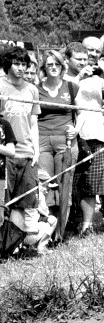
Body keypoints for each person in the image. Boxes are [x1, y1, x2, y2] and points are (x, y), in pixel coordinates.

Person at [63, 41, 104, 234]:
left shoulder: (96, 80)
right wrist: (80, 77)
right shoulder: (63, 78)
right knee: (70, 183)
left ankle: (86, 226)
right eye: (79, 59)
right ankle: (67, 224)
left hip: (95, 135)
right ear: (67, 59)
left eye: (87, 58)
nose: (84, 62)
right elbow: (65, 97)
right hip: (71, 137)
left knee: (91, 185)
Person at [35, 50, 77, 235]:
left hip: (65, 141)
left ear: (62, 67)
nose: (53, 67)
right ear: (44, 67)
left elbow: (81, 113)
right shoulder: (35, 88)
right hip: (42, 139)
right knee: (45, 187)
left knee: (64, 184)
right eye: (49, 64)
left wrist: (76, 128)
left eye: (57, 64)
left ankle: (60, 233)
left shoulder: (71, 87)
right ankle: (47, 232)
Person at [0, 47, 41, 237]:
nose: (21, 68)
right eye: (16, 63)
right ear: (8, 64)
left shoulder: (31, 89)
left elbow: (33, 123)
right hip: (6, 152)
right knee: (5, 201)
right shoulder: (0, 86)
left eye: (24, 64)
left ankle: (18, 243)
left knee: (25, 200)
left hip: (26, 152)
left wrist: (36, 150)